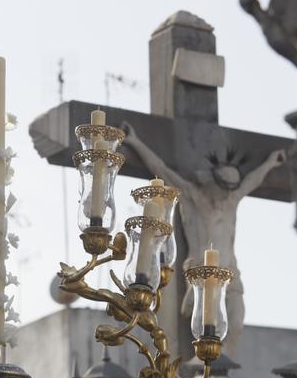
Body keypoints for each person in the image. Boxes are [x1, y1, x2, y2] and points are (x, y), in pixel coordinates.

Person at [122, 122, 285, 356]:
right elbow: (161, 168)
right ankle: (201, 360)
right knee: (202, 322)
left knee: (236, 320)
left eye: (232, 187)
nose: (228, 191)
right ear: (214, 182)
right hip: (201, 271)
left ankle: (222, 360)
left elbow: (252, 181)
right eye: (225, 186)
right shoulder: (192, 197)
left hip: (230, 271)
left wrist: (270, 163)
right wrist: (135, 141)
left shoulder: (231, 200)